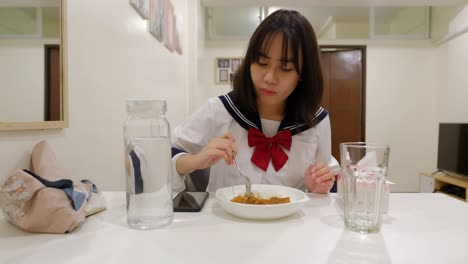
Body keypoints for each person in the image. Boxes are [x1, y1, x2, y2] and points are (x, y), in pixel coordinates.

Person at [171, 9, 338, 193]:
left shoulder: (317, 121)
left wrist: (317, 187)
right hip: (222, 220)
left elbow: (324, 186)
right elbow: (164, 155)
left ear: (303, 74)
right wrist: (196, 161)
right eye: (262, 63)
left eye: (285, 68)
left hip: (290, 221)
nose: (269, 78)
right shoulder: (220, 110)